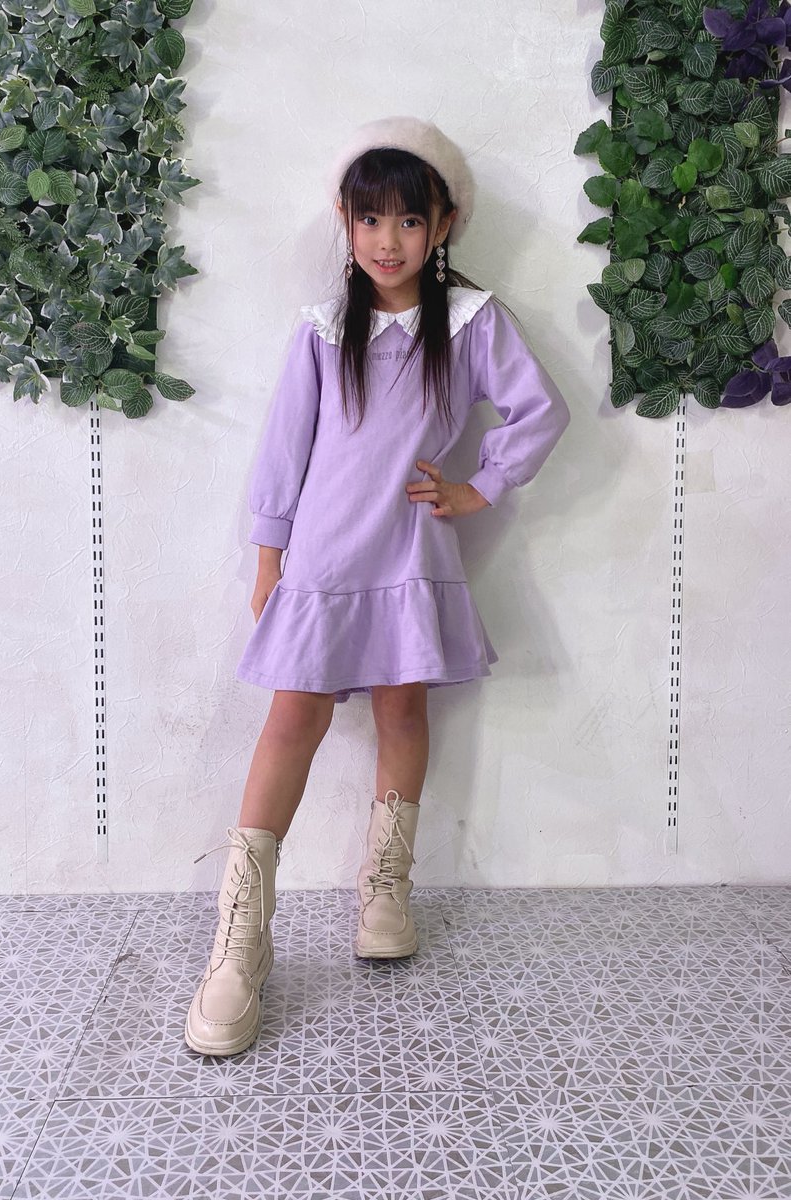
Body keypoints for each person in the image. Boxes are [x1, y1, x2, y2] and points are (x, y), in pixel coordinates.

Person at [184, 116, 571, 1058]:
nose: (387, 240)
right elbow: (286, 449)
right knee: (292, 719)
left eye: (407, 219)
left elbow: (539, 410)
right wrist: (270, 555)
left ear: (442, 226)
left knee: (403, 711)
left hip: (407, 553)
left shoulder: (471, 323)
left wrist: (480, 486)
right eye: (369, 219)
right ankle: (240, 942)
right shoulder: (323, 330)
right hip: (323, 558)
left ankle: (386, 892)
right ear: (346, 223)